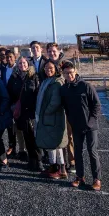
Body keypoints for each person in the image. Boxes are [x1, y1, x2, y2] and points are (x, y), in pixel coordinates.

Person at [60, 61, 102, 191]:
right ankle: (80, 177)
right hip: (76, 126)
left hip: (90, 126)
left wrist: (91, 121)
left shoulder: (86, 86)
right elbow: (65, 107)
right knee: (77, 152)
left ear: (75, 72)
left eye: (71, 73)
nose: (69, 75)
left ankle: (97, 179)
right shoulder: (64, 89)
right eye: (66, 73)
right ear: (63, 74)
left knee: (92, 151)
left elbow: (96, 105)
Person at [7, 56, 44, 171]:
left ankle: (39, 161)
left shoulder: (34, 77)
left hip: (32, 112)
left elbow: (38, 93)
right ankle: (31, 160)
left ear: (28, 64)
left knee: (35, 138)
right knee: (26, 137)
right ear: (17, 65)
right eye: (20, 63)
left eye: (24, 63)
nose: (22, 65)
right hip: (21, 113)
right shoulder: (14, 78)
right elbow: (9, 93)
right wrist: (13, 106)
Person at [35, 60, 68, 179]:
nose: (48, 70)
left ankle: (60, 168)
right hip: (46, 117)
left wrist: (46, 112)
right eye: (46, 68)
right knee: (51, 144)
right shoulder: (46, 81)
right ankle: (54, 167)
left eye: (51, 68)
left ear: (56, 69)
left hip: (53, 118)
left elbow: (55, 102)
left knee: (55, 145)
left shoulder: (57, 82)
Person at [46, 42, 75, 173]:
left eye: (54, 51)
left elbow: (74, 78)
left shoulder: (66, 63)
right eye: (50, 51)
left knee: (69, 135)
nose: (52, 53)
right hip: (54, 105)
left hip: (67, 103)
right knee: (57, 134)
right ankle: (59, 163)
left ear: (58, 51)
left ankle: (72, 162)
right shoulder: (46, 64)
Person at [2, 50, 27, 160]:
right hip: (9, 101)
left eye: (11, 57)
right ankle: (13, 147)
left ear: (15, 57)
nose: (9, 59)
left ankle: (24, 150)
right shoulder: (2, 69)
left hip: (21, 103)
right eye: (7, 57)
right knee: (12, 127)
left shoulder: (19, 70)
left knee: (24, 128)